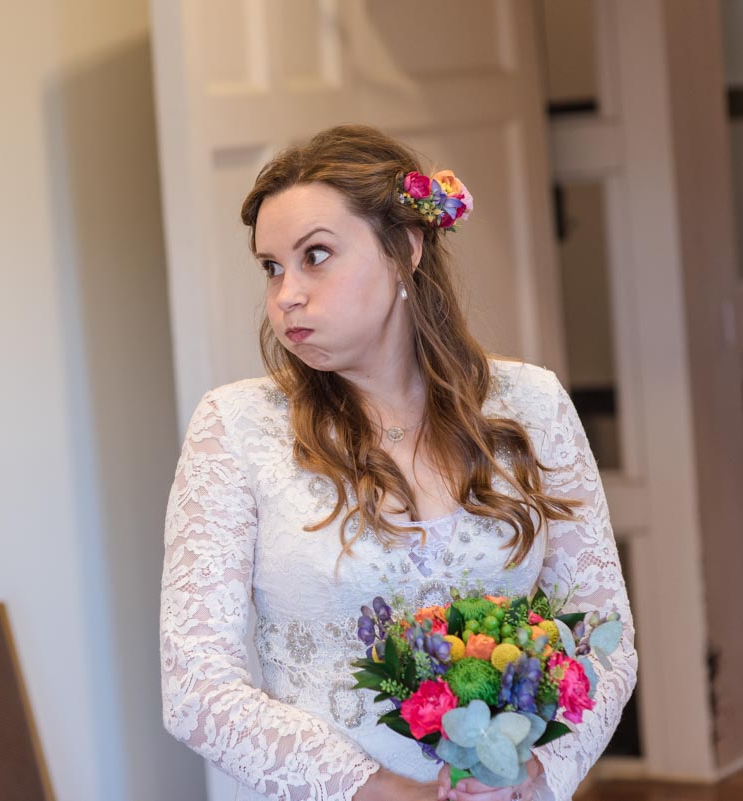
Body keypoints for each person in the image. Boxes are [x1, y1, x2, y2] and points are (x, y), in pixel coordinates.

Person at [159, 125, 637, 801]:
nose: (286, 293)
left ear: (405, 248)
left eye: (315, 256)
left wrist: (536, 775)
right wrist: (377, 788)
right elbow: (195, 687)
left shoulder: (532, 405)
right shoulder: (236, 427)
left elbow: (602, 637)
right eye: (271, 266)